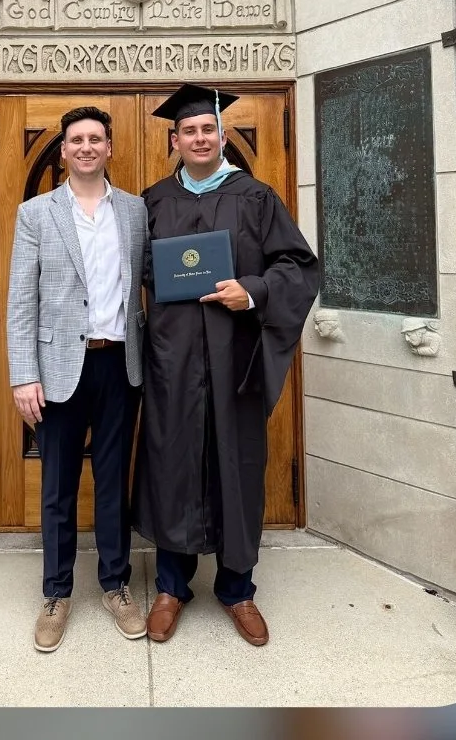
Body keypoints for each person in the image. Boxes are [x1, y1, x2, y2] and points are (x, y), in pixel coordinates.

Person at [134, 83, 322, 647]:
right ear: (174, 140)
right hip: (172, 361)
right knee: (172, 464)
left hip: (235, 358)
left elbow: (299, 267)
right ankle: (171, 585)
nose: (199, 137)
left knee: (236, 465)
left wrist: (255, 290)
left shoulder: (256, 197)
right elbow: (136, 273)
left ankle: (238, 589)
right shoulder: (152, 201)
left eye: (207, 129)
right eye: (188, 130)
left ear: (221, 136)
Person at [5, 105, 150, 651]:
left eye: (96, 139)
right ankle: (57, 592)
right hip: (58, 368)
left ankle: (115, 584)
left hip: (120, 364)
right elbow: (21, 299)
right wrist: (24, 375)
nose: (86, 147)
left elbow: (153, 280)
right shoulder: (36, 213)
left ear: (110, 148)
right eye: (76, 140)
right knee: (58, 487)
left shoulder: (135, 211)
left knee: (114, 482)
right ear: (63, 151)